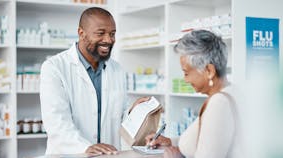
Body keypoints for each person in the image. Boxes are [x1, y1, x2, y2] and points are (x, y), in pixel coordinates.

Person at [40, 7, 148, 155]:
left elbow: (119, 116)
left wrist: (132, 112)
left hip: (108, 155)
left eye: (112, 34)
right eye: (100, 33)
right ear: (81, 33)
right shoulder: (54, 67)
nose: (108, 40)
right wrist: (85, 147)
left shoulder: (116, 69)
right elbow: (57, 124)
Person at [145, 30, 241, 158]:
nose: (185, 80)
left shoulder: (219, 103)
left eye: (186, 73)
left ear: (209, 71)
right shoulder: (231, 92)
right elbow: (206, 141)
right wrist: (170, 142)